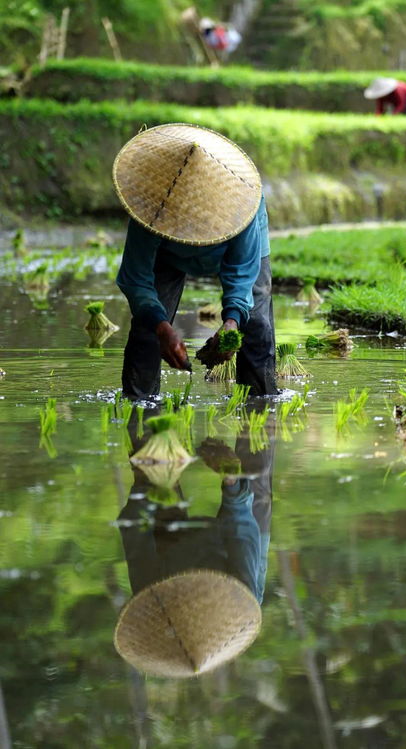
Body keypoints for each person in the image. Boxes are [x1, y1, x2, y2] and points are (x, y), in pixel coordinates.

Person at [113, 123, 277, 400]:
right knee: (147, 330)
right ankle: (140, 403)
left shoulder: (243, 202)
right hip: (168, 253)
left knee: (256, 323)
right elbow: (136, 278)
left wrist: (232, 322)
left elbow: (241, 275)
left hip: (234, 248)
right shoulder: (150, 204)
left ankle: (260, 402)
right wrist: (161, 326)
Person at [114, 418, 274, 677]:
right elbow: (242, 532)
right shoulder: (243, 598)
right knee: (255, 478)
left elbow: (133, 527)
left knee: (151, 460)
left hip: (172, 542)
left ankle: (143, 399)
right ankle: (261, 401)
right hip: (245, 538)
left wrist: (150, 482)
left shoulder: (151, 593)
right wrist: (232, 480)